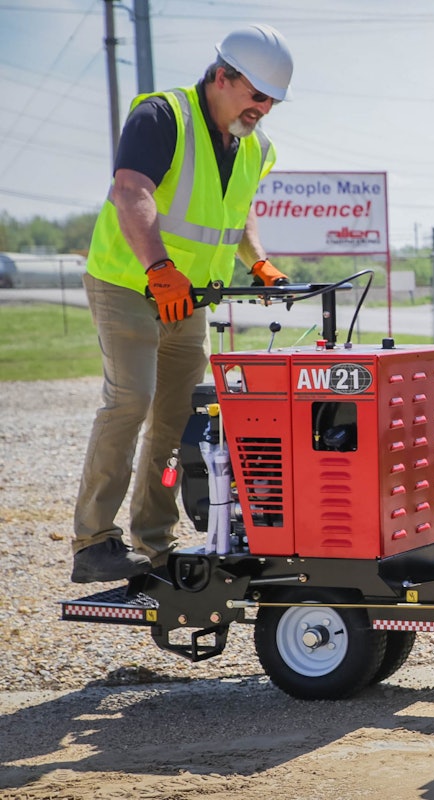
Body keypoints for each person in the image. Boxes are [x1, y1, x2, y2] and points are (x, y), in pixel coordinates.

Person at [71, 24, 294, 583]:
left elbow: (235, 209)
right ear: (221, 77)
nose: (263, 108)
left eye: (271, 100)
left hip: (188, 299)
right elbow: (131, 190)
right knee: (131, 401)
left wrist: (259, 260)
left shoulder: (253, 146)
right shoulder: (163, 116)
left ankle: (155, 542)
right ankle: (93, 542)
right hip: (129, 283)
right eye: (256, 94)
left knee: (177, 417)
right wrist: (158, 269)